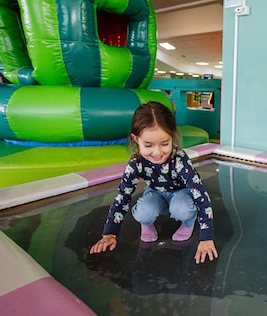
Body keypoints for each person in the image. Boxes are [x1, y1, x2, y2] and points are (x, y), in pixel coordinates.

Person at [90, 101, 218, 264]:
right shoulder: (136, 163)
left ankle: (188, 222)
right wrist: (109, 233)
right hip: (155, 193)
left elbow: (200, 195)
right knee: (143, 212)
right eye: (148, 145)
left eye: (165, 143)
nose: (157, 152)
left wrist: (206, 237)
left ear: (171, 136)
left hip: (180, 194)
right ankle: (147, 223)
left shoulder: (179, 159)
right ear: (136, 139)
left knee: (182, 209)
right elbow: (122, 198)